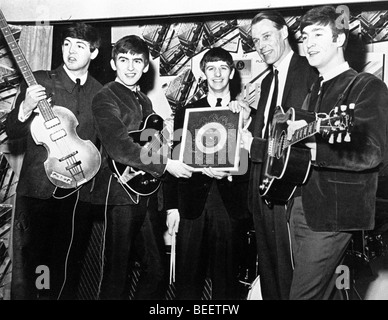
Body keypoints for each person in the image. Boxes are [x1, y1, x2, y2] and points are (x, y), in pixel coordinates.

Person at [286, 5, 388, 300]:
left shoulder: (366, 86)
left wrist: (317, 148)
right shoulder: (313, 92)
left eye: (318, 34)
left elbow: (371, 153)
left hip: (334, 215)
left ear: (340, 39)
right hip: (303, 208)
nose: (309, 42)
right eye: (305, 36)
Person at [91, 34, 193, 300]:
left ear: (147, 66)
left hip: (145, 193)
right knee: (116, 275)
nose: (131, 67)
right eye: (123, 60)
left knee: (157, 270)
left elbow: (150, 143)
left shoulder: (144, 101)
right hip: (120, 195)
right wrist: (166, 163)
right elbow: (120, 146)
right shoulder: (105, 96)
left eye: (138, 61)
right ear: (114, 64)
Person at [6, 22, 103, 300]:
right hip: (38, 192)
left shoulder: (101, 92)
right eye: (67, 43)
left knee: (68, 266)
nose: (71, 51)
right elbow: (13, 132)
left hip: (78, 195)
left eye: (80, 45)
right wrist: (25, 108)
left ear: (94, 53)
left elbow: (105, 144)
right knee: (36, 267)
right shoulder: (40, 80)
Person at [232, 10, 318, 299]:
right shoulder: (267, 81)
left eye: (267, 36)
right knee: (269, 272)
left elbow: (296, 136)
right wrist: (245, 119)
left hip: (289, 190)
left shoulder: (308, 71)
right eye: (256, 40)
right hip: (261, 188)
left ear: (284, 33)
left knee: (289, 273)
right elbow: (264, 131)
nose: (261, 45)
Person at [163, 47, 252, 300]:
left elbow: (249, 161)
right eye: (211, 68)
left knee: (227, 281)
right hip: (192, 205)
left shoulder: (243, 113)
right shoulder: (186, 112)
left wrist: (231, 168)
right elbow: (174, 157)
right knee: (187, 279)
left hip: (229, 205)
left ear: (232, 73)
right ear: (203, 73)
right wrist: (172, 207)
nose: (217, 74)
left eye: (223, 68)